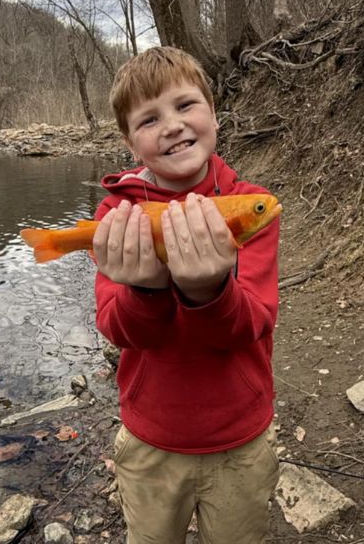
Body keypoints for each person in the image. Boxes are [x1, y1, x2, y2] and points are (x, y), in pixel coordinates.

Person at [92, 46, 281, 544]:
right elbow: (116, 328)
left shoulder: (250, 207)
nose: (173, 125)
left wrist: (208, 292)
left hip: (241, 439)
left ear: (215, 116)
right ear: (132, 145)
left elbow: (255, 322)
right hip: (150, 440)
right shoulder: (115, 216)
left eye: (185, 105)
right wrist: (147, 290)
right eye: (149, 119)